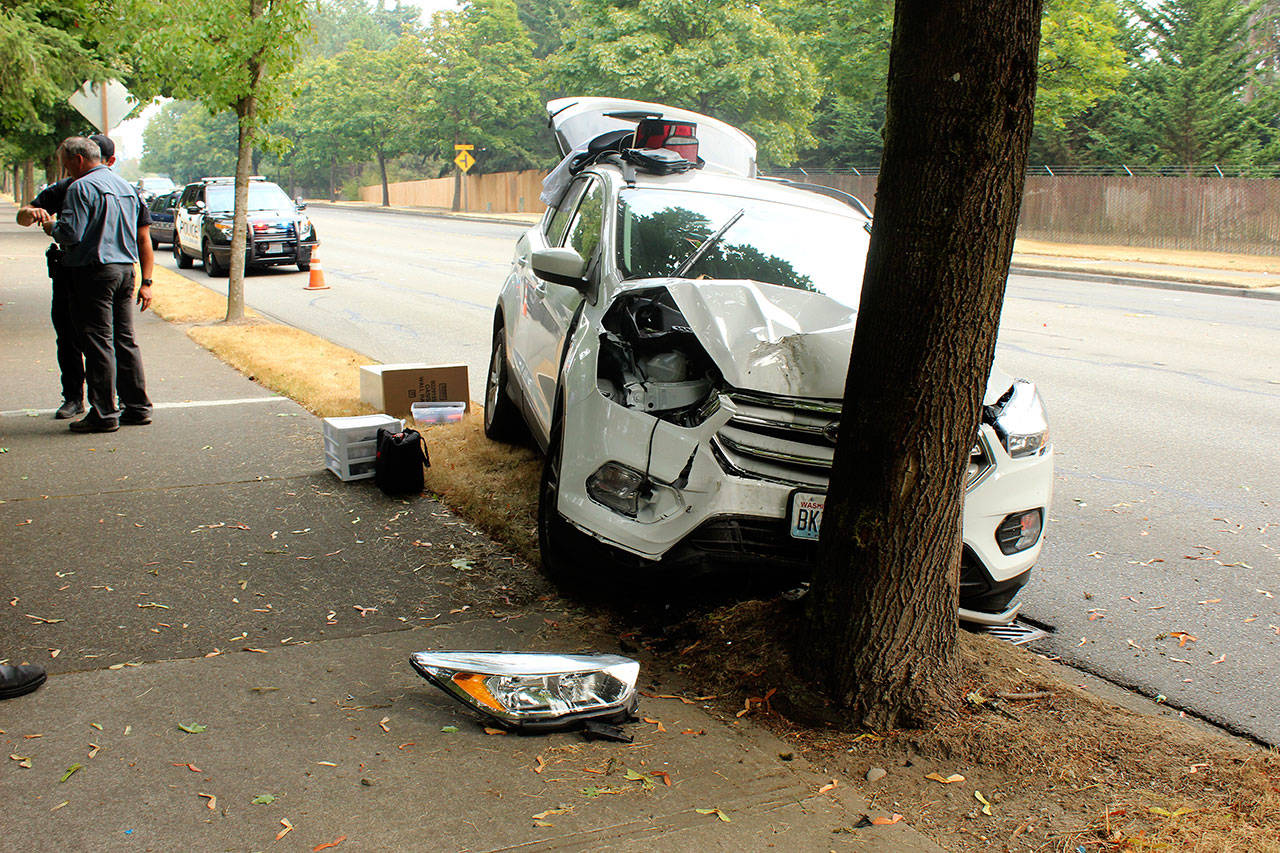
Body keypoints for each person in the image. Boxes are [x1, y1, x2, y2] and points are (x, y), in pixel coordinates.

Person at [15, 134, 154, 420]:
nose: (65, 170)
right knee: (125, 339)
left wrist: (52, 226)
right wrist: (145, 280)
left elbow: (70, 233)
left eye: (65, 164)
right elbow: (140, 235)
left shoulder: (80, 188)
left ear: (77, 160)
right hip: (125, 270)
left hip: (94, 272)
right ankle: (138, 407)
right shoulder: (126, 187)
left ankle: (103, 413)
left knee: (97, 341)